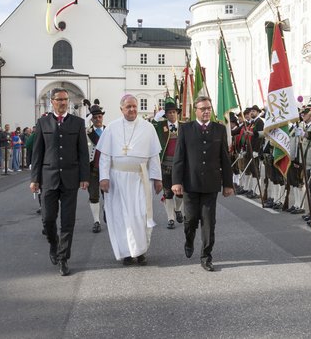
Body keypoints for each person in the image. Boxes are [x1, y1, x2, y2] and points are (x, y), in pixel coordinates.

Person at [96, 94, 163, 266]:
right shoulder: (111, 128)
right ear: (121, 109)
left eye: (134, 106)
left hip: (141, 179)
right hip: (117, 179)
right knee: (120, 216)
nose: (132, 109)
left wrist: (157, 178)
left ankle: (140, 251)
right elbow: (105, 156)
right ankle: (126, 252)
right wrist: (103, 178)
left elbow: (154, 156)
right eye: (128, 107)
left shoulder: (148, 128)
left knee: (141, 214)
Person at [30, 88, 90, 276]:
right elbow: (37, 153)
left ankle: (63, 258)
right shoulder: (42, 123)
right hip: (48, 178)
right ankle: (53, 244)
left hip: (70, 178)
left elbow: (83, 152)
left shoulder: (78, 123)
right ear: (52, 101)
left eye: (66, 100)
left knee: (67, 221)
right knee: (48, 219)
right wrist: (35, 179)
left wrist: (84, 177)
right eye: (60, 100)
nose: (63, 103)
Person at [172, 96, 234, 272]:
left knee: (208, 222)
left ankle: (206, 256)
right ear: (196, 111)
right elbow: (179, 157)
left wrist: (228, 184)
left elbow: (224, 158)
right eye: (203, 109)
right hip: (190, 183)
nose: (206, 111)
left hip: (210, 184)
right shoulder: (186, 129)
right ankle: (189, 239)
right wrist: (176, 182)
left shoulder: (219, 129)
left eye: (208, 108)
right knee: (191, 220)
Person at [153, 97, 184, 229]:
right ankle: (170, 218)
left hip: (181, 165)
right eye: (169, 112)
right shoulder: (160, 126)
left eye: (173, 112)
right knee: (168, 193)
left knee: (180, 192)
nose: (171, 115)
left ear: (177, 113)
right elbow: (149, 128)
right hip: (165, 164)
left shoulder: (184, 126)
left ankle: (177, 209)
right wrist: (155, 119)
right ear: (165, 114)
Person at [86, 102, 106, 233]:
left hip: (107, 170)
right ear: (91, 119)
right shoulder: (87, 133)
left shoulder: (109, 130)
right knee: (93, 196)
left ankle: (108, 213)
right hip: (92, 169)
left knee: (109, 196)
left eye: (99, 117)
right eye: (95, 117)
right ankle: (96, 221)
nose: (98, 119)